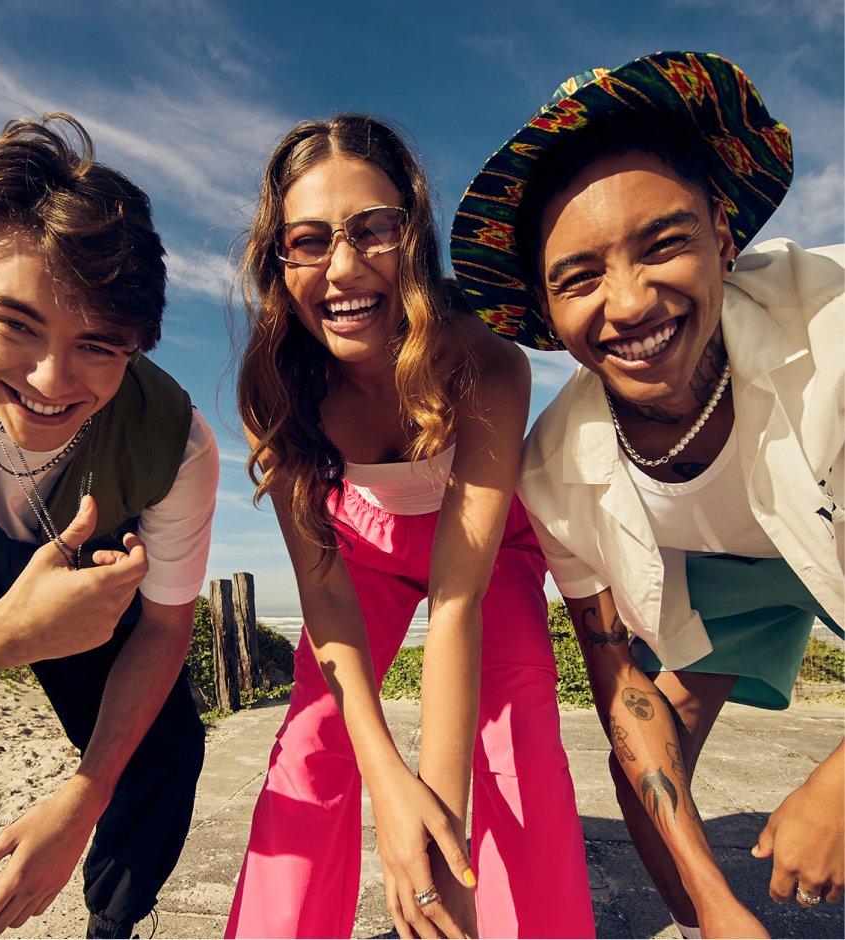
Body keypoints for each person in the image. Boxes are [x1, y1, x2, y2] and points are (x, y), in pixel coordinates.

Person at [451, 50, 843, 939]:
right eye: (579, 277)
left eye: (663, 243)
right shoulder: (554, 469)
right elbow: (616, 675)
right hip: (726, 567)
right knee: (655, 731)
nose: (627, 305)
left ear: (722, 233)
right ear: (547, 314)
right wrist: (712, 904)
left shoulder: (834, 333)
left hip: (827, 526)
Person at [225, 113, 594, 939]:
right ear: (278, 258)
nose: (344, 267)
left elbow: (456, 605)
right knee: (316, 735)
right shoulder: (273, 388)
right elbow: (320, 593)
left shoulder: (486, 361)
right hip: (361, 547)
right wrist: (389, 786)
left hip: (486, 554)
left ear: (414, 234)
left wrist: (440, 839)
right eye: (309, 240)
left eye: (373, 231)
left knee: (516, 734)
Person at [0, 114, 219, 939]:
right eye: (15, 324)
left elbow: (165, 628)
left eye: (99, 345)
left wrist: (84, 796)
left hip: (86, 604)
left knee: (166, 750)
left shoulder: (177, 441)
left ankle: (114, 924)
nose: (51, 380)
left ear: (139, 346)